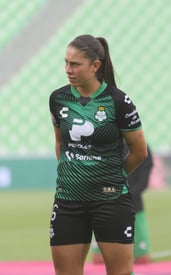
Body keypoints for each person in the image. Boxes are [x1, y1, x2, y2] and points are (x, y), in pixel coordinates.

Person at [49, 34, 147, 275]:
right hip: (68, 200)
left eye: (75, 64)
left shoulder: (118, 101)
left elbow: (139, 151)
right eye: (66, 63)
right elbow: (60, 143)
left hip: (111, 200)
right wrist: (73, 176)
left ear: (95, 66)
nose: (68, 70)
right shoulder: (58, 99)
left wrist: (114, 175)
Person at [92, 145, 153, 264]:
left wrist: (125, 195)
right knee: (99, 259)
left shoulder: (142, 147)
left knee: (142, 259)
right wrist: (110, 193)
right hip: (106, 204)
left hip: (133, 206)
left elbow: (143, 180)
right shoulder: (104, 145)